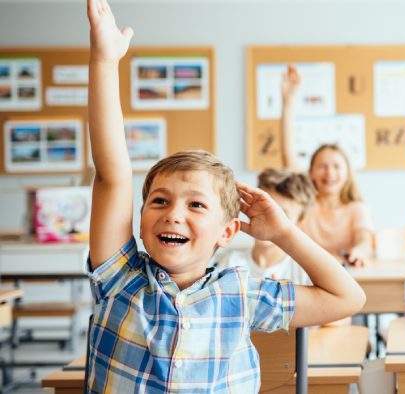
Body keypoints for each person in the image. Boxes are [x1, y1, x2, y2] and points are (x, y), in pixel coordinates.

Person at [85, 1, 364, 390]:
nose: (173, 215)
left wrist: (284, 233)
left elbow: (348, 297)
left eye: (196, 204)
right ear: (141, 215)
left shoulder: (242, 291)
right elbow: (112, 175)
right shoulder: (121, 277)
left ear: (228, 231)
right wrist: (104, 62)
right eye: (159, 201)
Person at [279, 65, 374, 266]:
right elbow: (288, 156)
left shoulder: (357, 209)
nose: (329, 172)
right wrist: (288, 101)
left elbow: (364, 239)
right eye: (322, 166)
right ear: (310, 173)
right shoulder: (305, 204)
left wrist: (360, 250)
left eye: (336, 166)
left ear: (347, 173)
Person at [216, 168, 316, 284]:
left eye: (282, 215)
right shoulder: (231, 262)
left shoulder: (305, 274)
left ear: (299, 224)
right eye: (265, 208)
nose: (269, 219)